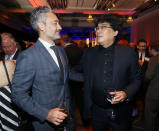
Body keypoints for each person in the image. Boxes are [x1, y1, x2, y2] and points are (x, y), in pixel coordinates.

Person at [11, 6, 82, 131]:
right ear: (41, 26)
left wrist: (93, 78)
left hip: (68, 117)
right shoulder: (28, 56)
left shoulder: (61, 50)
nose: (60, 27)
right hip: (45, 125)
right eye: (55, 23)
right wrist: (46, 114)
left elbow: (68, 73)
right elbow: (18, 94)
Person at [81, 15, 141, 131]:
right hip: (97, 111)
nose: (98, 31)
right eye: (97, 28)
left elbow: (137, 79)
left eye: (103, 27)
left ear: (115, 32)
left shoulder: (128, 53)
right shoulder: (89, 53)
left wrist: (126, 93)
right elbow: (81, 73)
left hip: (120, 111)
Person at [144, 41, 159, 131]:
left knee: (150, 117)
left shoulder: (154, 59)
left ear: (151, 49)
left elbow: (148, 77)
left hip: (154, 93)